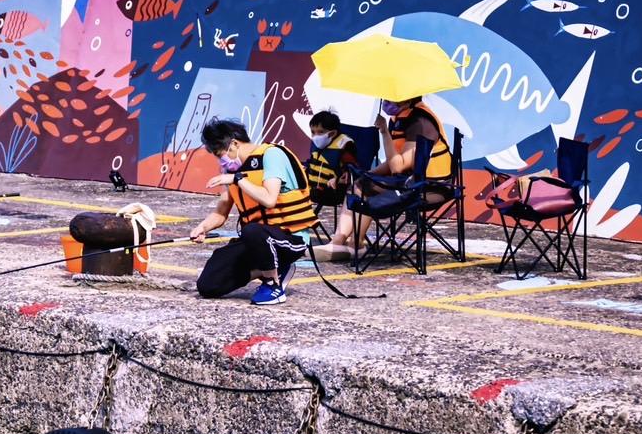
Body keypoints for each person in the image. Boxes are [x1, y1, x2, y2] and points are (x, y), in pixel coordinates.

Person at [188, 119, 318, 305]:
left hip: (290, 238)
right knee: (208, 285)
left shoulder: (271, 156)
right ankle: (277, 267)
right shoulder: (234, 170)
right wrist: (202, 227)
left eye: (220, 154)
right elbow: (220, 213)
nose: (221, 160)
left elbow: (269, 199)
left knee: (253, 230)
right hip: (256, 241)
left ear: (234, 144)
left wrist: (237, 179)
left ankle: (273, 284)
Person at [313, 96, 451, 262]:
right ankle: (338, 243)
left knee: (364, 190)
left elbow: (398, 166)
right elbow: (391, 164)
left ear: (407, 101)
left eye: (391, 100)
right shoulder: (400, 118)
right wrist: (364, 174)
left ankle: (356, 245)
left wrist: (384, 132)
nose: (386, 103)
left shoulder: (420, 122)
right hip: (408, 182)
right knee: (360, 184)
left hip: (431, 187)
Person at [303, 109, 358, 210]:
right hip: (312, 189)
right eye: (313, 132)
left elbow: (351, 169)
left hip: (333, 192)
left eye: (320, 132)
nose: (315, 136)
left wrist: (338, 179)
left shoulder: (344, 145)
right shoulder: (317, 146)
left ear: (332, 133)